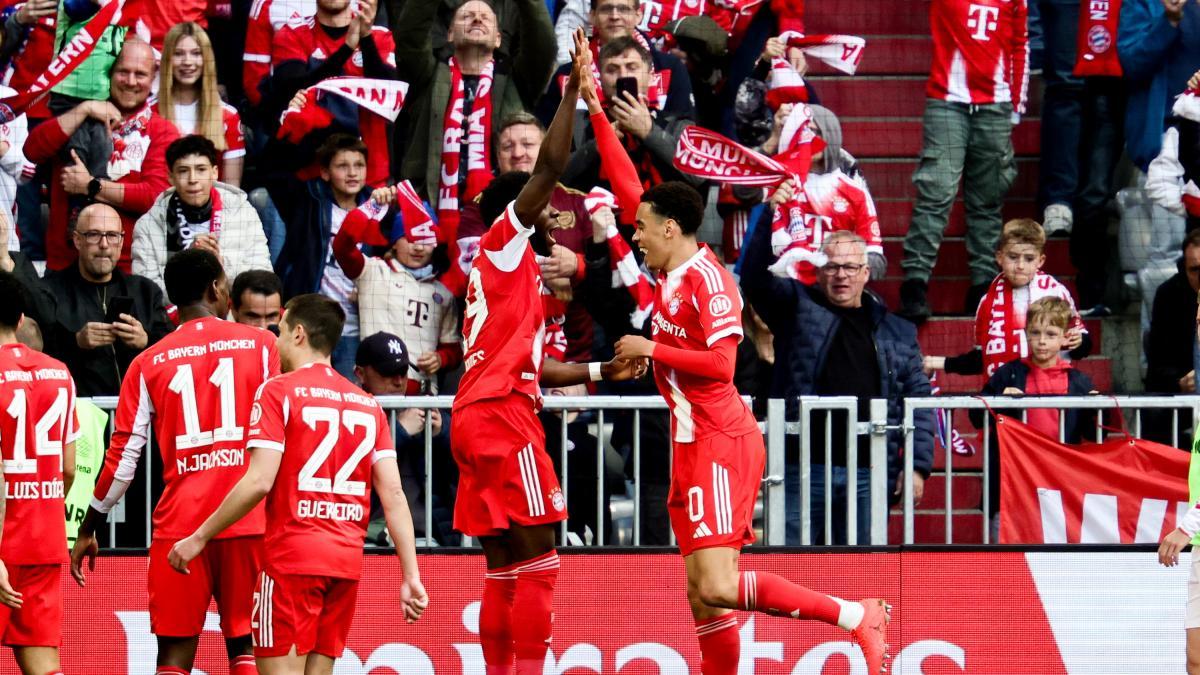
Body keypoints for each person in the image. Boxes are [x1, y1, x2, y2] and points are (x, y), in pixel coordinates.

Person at [613, 181, 891, 675]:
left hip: (719, 440)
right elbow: (628, 183)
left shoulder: (709, 280)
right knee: (702, 596)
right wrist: (596, 118)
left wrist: (651, 348)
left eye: (641, 227)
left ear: (669, 228)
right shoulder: (669, 271)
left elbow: (722, 366)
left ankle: (856, 615)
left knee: (719, 585)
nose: (636, 236)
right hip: (690, 442)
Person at [450, 30, 642, 674]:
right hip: (505, 418)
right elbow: (549, 169)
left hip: (478, 414)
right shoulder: (504, 242)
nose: (550, 214)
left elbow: (536, 365)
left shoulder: (509, 276)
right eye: (539, 208)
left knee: (504, 568)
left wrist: (601, 368)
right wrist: (572, 94)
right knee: (541, 565)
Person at [166, 294, 428, 673]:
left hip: (292, 561)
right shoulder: (367, 404)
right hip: (345, 564)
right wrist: (411, 575)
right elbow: (394, 494)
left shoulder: (277, 391)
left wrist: (199, 536)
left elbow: (259, 480)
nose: (276, 341)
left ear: (299, 333)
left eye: (281, 331)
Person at [69, 249, 279, 675]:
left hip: (180, 525)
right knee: (246, 644)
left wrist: (90, 526)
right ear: (217, 289)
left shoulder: (147, 362)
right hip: (249, 520)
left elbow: (124, 458)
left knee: (174, 654)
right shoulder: (263, 346)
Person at [741, 182, 936, 546]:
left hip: (869, 471)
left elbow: (919, 402)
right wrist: (768, 214)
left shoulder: (898, 331)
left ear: (866, 272)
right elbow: (754, 278)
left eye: (850, 267)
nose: (841, 275)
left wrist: (917, 466)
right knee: (791, 569)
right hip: (802, 468)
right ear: (817, 271)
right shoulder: (796, 308)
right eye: (831, 267)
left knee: (860, 570)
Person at [897, 0, 1028, 321]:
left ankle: (983, 286)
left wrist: (1016, 105)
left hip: (996, 105)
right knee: (936, 191)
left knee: (987, 199)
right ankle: (915, 283)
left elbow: (1020, 43)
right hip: (947, 101)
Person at [391, 0, 555, 239]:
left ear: (498, 39)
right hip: (429, 220)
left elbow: (543, 46)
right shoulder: (426, 76)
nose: (477, 19)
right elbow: (410, 38)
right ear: (449, 34)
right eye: (466, 16)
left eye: (486, 17)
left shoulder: (517, 81)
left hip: (501, 219)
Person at [25, 39, 179, 271]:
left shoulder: (163, 131)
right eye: (123, 72)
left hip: (129, 268)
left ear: (153, 78)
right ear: (108, 72)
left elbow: (155, 196)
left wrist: (91, 186)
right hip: (65, 267)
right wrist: (84, 109)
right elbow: (32, 150)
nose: (130, 81)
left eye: (140, 74)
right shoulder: (76, 118)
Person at [0, 270, 78, 675]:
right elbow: (68, 467)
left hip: (4, 538)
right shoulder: (59, 373)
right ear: (19, 319)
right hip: (42, 539)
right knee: (44, 664)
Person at [972, 296, 1097, 538]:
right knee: (1007, 550)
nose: (1041, 341)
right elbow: (976, 416)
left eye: (1050, 334)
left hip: (1060, 482)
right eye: (1035, 333)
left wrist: (1097, 407)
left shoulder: (1079, 382)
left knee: (1056, 551)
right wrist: (999, 401)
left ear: (1065, 338)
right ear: (1026, 334)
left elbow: (1094, 434)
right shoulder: (1007, 374)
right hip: (1013, 484)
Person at [330, 183, 462, 394]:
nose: (418, 247)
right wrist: (371, 207)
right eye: (409, 238)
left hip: (424, 397)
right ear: (393, 242)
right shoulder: (372, 271)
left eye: (425, 240)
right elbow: (342, 247)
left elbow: (453, 348)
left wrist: (441, 358)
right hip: (377, 393)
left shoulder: (443, 293)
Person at [923, 219, 1090, 379]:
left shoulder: (1056, 292)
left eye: (1029, 259)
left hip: (1052, 388)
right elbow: (983, 359)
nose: (1020, 266)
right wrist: (936, 362)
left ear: (1041, 261)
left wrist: (1079, 342)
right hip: (1005, 390)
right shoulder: (988, 302)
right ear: (999, 257)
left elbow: (1082, 348)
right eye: (1013, 257)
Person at [39, 204, 173, 397]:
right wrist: (75, 342)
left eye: (112, 235)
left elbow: (172, 350)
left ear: (122, 241)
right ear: (77, 240)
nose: (104, 244)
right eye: (94, 235)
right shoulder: (48, 291)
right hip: (79, 410)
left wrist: (146, 341)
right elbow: (36, 352)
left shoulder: (145, 291)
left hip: (138, 409)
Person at [264, 0, 395, 184]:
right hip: (310, 177)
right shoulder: (293, 33)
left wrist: (365, 38)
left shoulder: (380, 36)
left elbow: (389, 96)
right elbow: (289, 91)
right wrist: (346, 49)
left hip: (371, 177)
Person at [273, 133, 372, 377]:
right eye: (342, 166)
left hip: (355, 326)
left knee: (347, 391)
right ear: (325, 173)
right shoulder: (310, 202)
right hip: (312, 326)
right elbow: (277, 173)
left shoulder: (377, 210)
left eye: (359, 165)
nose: (352, 173)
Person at [352, 332, 457, 547]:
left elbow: (463, 471)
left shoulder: (424, 408)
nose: (399, 381)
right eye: (387, 373)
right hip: (366, 536)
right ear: (360, 374)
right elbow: (353, 475)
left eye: (402, 371)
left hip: (428, 537)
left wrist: (442, 432)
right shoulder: (350, 412)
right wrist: (399, 432)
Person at [132, 135, 271, 296]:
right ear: (170, 177)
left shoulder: (242, 211)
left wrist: (220, 268)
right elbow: (146, 295)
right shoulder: (148, 225)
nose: (193, 179)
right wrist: (188, 265)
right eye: (183, 171)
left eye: (201, 169)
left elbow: (264, 281)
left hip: (232, 311)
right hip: (176, 313)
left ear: (215, 172)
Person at [562, 36, 701, 194]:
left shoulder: (678, 125)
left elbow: (697, 178)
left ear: (651, 77)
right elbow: (553, 177)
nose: (623, 75)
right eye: (612, 70)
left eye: (632, 67)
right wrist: (595, 146)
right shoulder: (578, 123)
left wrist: (650, 132)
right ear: (599, 80)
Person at [539, 0, 696, 125]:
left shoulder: (670, 68)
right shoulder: (567, 75)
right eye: (606, 9)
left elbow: (683, 132)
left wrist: (648, 131)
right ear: (592, 16)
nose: (614, 16)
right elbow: (548, 138)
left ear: (638, 15)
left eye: (623, 9)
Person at [157, 23, 246, 186]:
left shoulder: (228, 116)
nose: (187, 61)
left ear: (207, 59)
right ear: (167, 59)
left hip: (213, 202)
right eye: (178, 54)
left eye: (196, 53)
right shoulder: (149, 113)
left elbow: (231, 191)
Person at [1143, 229, 1200, 445]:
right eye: (1195, 269)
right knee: (1154, 410)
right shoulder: (1168, 295)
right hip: (1182, 392)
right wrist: (1180, 382)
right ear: (1184, 268)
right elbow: (1157, 364)